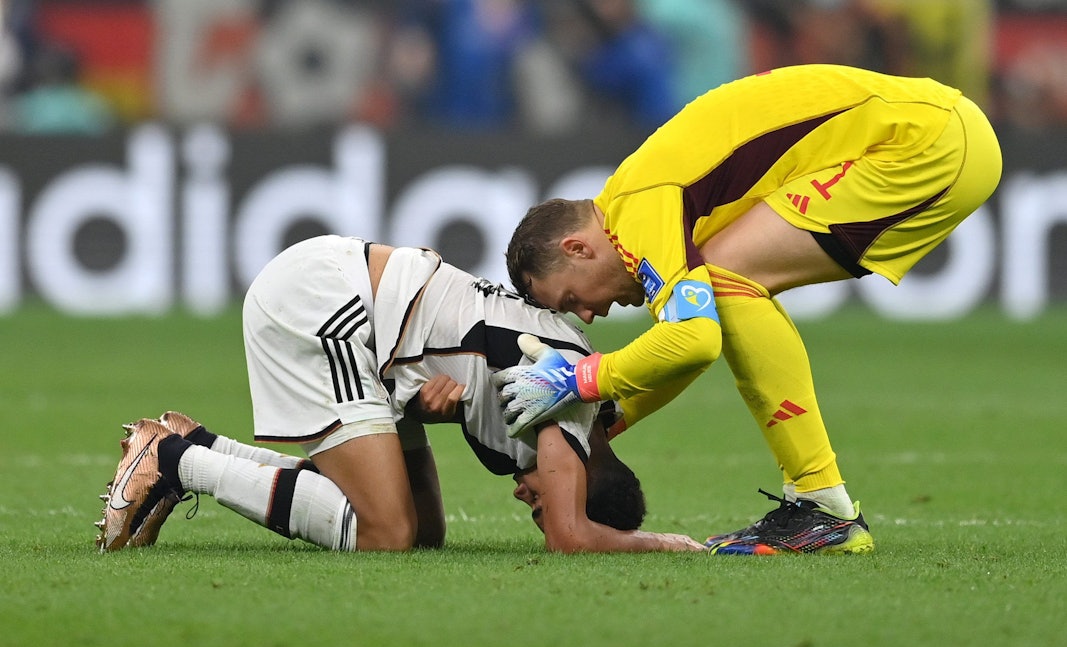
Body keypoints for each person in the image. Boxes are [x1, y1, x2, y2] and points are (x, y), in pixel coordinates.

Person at [494, 64, 1002, 555]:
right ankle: (820, 505)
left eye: (570, 299)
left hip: (925, 144)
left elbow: (694, 339)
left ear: (578, 248)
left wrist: (581, 379)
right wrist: (606, 417)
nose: (586, 316)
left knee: (727, 281)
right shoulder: (636, 207)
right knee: (723, 284)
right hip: (942, 131)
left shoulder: (641, 212)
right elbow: (688, 343)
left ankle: (823, 508)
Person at [95, 236, 704, 555]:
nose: (529, 500)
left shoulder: (580, 405)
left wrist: (417, 409)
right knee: (386, 533)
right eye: (544, 502)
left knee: (423, 532)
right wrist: (670, 544)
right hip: (329, 304)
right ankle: (174, 464)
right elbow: (572, 539)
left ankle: (193, 443)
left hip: (374, 326)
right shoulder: (567, 409)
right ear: (585, 479)